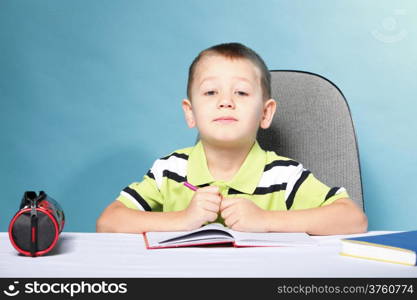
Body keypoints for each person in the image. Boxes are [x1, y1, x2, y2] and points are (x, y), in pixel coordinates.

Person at [96, 42, 367, 235]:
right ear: (190, 113)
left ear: (265, 113)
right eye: (211, 92)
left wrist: (265, 220)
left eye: (241, 93)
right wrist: (183, 218)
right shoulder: (169, 170)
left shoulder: (284, 176)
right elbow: (109, 221)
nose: (226, 102)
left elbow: (353, 220)